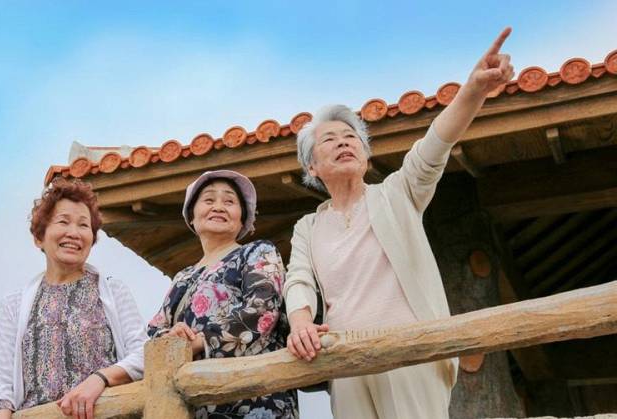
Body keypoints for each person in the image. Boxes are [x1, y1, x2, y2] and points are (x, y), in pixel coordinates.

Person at [284, 28, 515, 419]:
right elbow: (299, 279)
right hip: (344, 360)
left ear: (365, 156)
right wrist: (301, 320)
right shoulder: (308, 226)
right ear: (312, 167)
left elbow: (434, 146)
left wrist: (474, 89)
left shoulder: (397, 193)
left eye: (351, 137)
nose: (344, 142)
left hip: (411, 348)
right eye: (330, 140)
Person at [0, 177, 146, 419]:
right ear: (39, 237)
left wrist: (100, 378)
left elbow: (143, 354)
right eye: (63, 221)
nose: (74, 233)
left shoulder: (114, 291)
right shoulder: (14, 304)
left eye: (83, 225)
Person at [147, 170, 298, 418]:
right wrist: (173, 336)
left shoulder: (257, 252)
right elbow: (155, 328)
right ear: (192, 217)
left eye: (229, 201)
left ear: (242, 220)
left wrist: (199, 341)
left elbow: (262, 308)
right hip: (196, 404)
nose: (218, 207)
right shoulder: (182, 276)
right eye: (208, 200)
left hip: (256, 398)